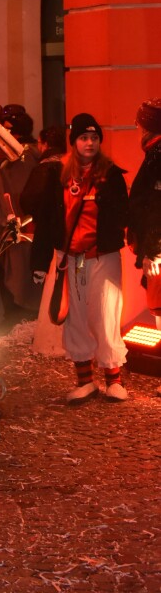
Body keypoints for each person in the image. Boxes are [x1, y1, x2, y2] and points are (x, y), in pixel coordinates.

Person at [27, 112, 129, 403]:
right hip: (70, 258)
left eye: (94, 138)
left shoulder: (111, 176)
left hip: (103, 256)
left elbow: (123, 214)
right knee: (75, 318)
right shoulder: (58, 176)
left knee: (106, 315)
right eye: (84, 138)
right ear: (74, 142)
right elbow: (46, 221)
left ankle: (114, 380)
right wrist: (39, 262)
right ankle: (85, 381)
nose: (89, 143)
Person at [0, 105, 41, 329]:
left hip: (23, 230)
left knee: (22, 280)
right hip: (7, 230)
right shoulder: (6, 159)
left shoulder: (27, 156)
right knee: (10, 275)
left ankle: (21, 319)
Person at [20, 125, 67, 357]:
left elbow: (28, 200)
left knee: (53, 289)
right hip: (72, 236)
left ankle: (53, 341)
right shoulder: (71, 163)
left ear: (44, 143)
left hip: (49, 235)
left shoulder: (45, 167)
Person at [128, 98, 161, 393]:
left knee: (160, 305)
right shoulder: (154, 153)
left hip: (159, 247)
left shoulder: (157, 155)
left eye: (140, 124)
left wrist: (151, 250)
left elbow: (153, 206)